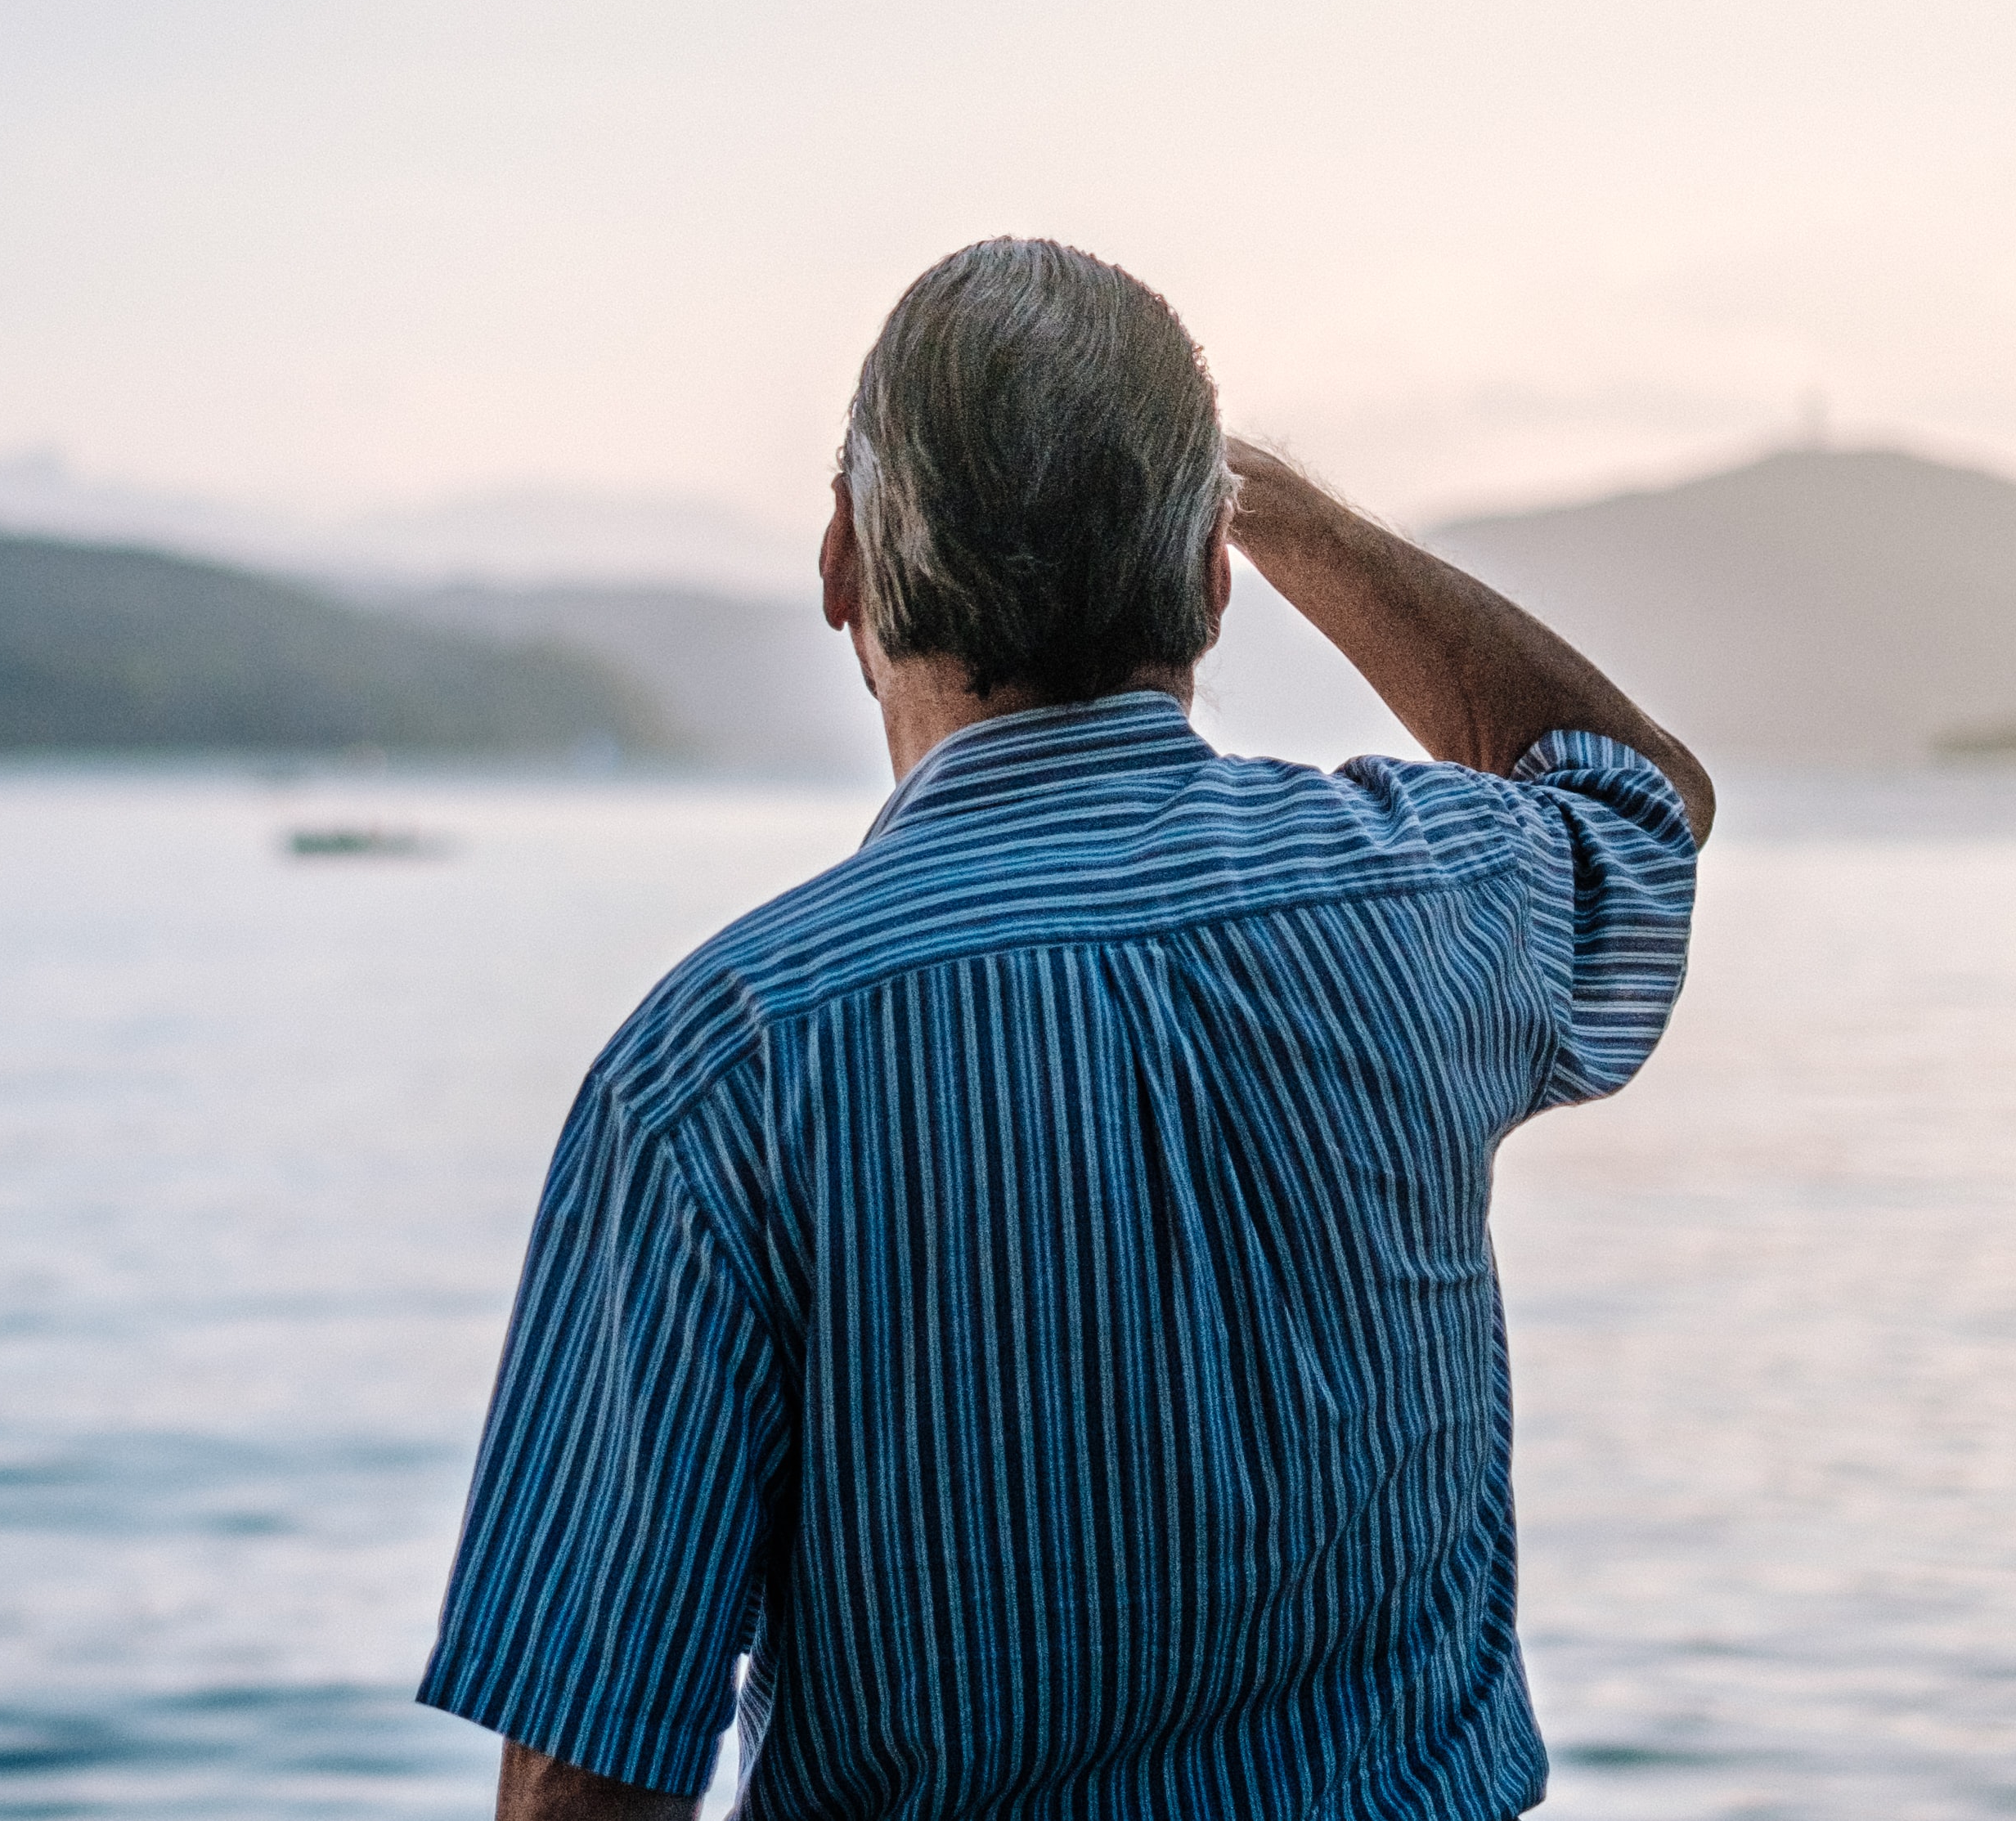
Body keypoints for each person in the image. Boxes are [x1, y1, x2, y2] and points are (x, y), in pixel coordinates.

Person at [419, 240, 1711, 1819]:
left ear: (843, 564)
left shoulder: (724, 1071)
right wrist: (1275, 502)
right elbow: (1637, 794)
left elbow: (582, 1784)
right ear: (1219, 581)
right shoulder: (1433, 899)